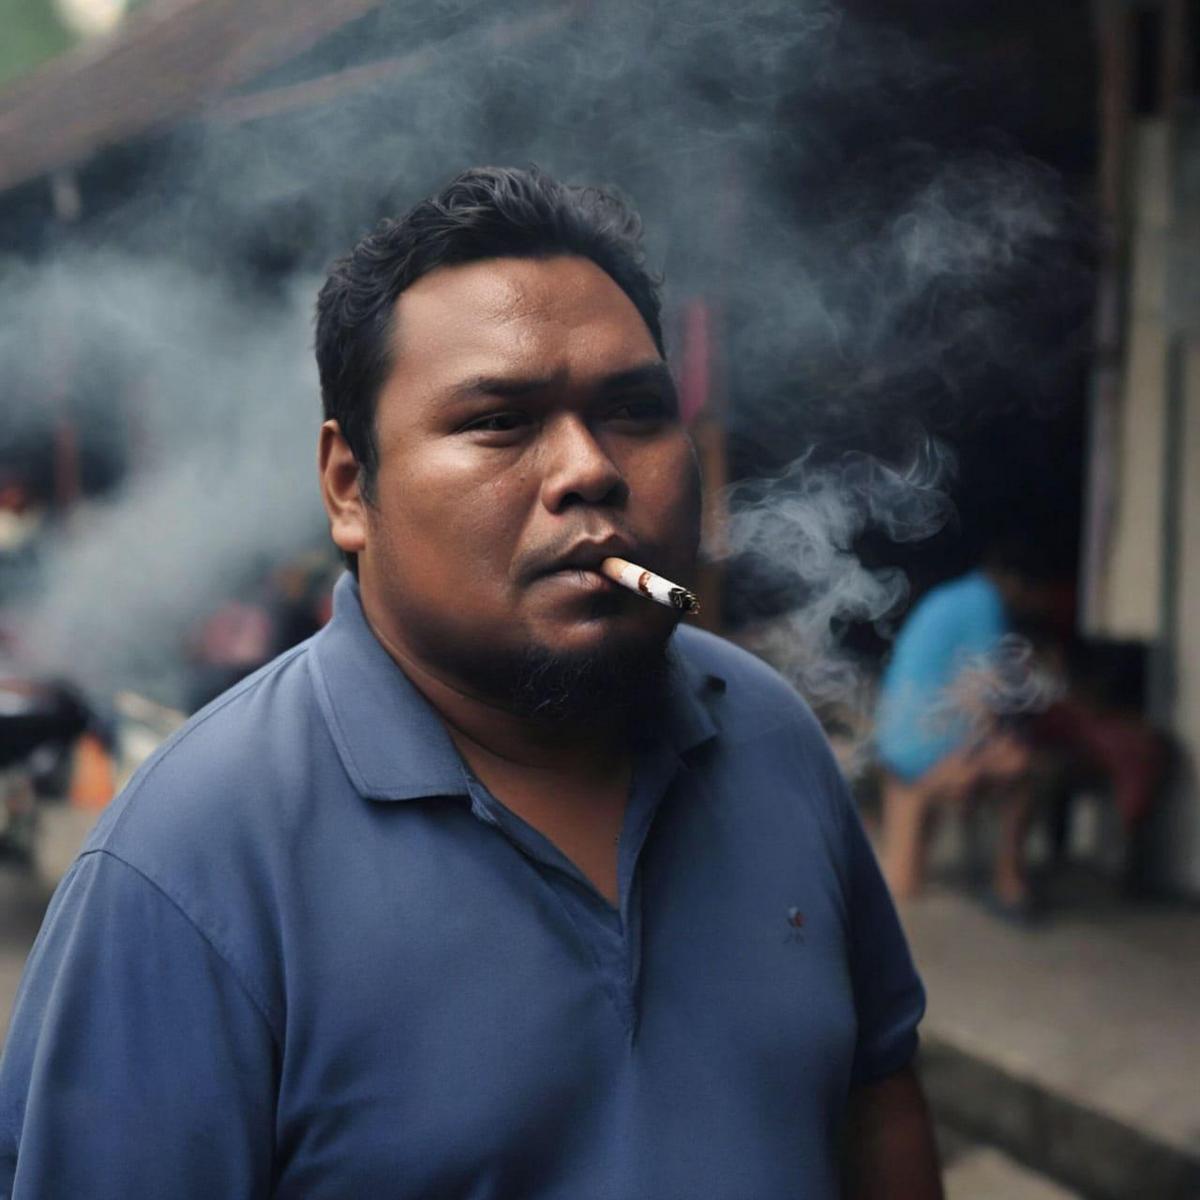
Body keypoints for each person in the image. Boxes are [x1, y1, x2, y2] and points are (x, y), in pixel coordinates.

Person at [0, 167, 942, 1198]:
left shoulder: (768, 735)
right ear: (351, 487)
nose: (590, 468)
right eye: (501, 420)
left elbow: (876, 1101)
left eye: (634, 409)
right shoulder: (188, 866)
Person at [874, 555, 1038, 909]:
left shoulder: (950, 597)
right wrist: (980, 752)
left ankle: (903, 863)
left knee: (902, 881)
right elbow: (985, 692)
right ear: (1014, 582)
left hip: (894, 742)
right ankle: (1009, 884)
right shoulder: (985, 602)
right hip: (928, 748)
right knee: (1021, 766)